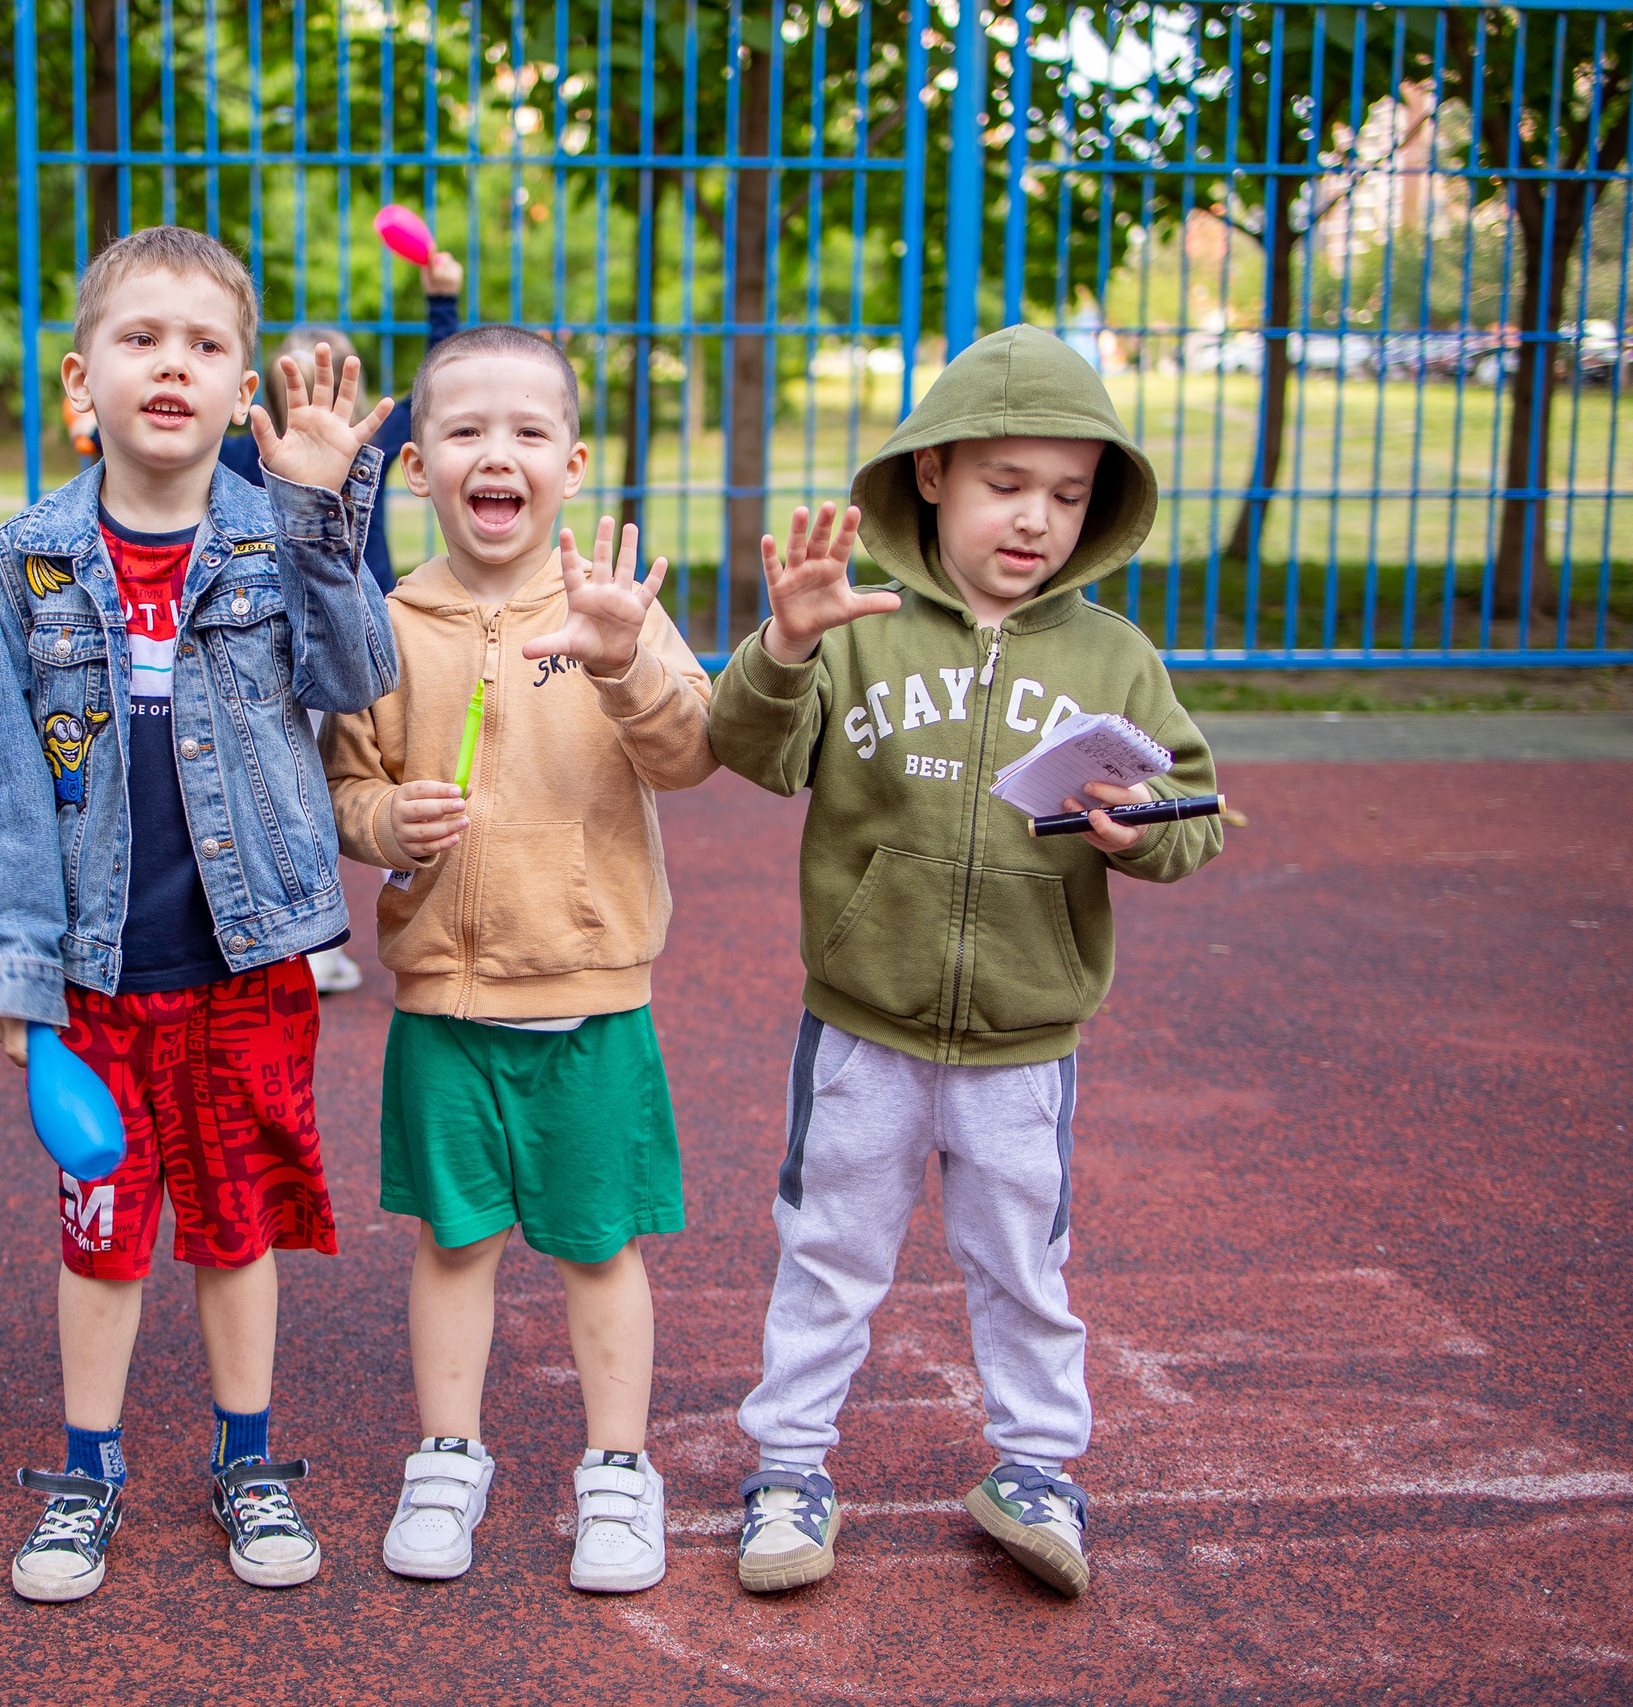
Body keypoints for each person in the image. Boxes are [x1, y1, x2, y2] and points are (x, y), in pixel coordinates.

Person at [709, 323, 1222, 1599]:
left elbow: (1195, 815)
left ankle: (1039, 1467)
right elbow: (749, 750)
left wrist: (1137, 826)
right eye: (1006, 484)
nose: (1036, 519)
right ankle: (788, 1468)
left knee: (1023, 1265)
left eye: (1066, 493)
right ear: (932, 474)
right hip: (864, 1025)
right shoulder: (859, 626)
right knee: (829, 1249)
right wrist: (781, 649)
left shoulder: (1114, 659)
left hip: (1023, 1041)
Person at [0, 225, 395, 1603]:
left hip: (246, 959)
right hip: (96, 969)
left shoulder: (278, 533)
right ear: (82, 380)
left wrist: (326, 516)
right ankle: (88, 1470)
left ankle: (247, 1456)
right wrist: (16, 982)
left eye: (203, 346)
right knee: (102, 1227)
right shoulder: (25, 557)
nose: (172, 365)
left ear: (238, 385)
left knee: (237, 1216)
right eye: (141, 339)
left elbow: (360, 667)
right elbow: (6, 781)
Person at [322, 325, 718, 1593]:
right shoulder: (386, 627)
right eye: (465, 430)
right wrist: (386, 821)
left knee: (599, 1246)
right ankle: (448, 1453)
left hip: (592, 1006)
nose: (498, 452)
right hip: (444, 1001)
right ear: (417, 464)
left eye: (528, 431)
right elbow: (347, 783)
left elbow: (691, 751)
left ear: (574, 462)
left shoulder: (615, 612)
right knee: (453, 1242)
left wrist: (623, 668)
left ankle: (616, 1471)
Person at [220, 247, 464, 996]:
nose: (316, 400)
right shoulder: (237, 451)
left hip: (353, 631)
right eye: (301, 378)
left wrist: (442, 301)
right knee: (282, 783)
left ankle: (326, 932)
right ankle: (292, 931)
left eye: (332, 378)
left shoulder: (373, 444)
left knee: (345, 781)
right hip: (264, 634)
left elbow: (440, 389)